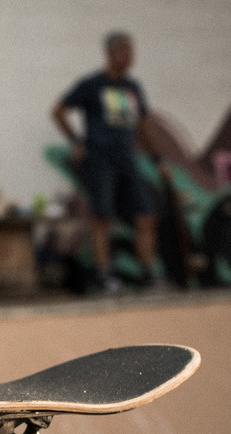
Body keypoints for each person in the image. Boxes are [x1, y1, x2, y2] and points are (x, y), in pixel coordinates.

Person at [52, 31, 167, 294]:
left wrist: (157, 159)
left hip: (127, 159)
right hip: (99, 160)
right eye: (126, 51)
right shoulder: (92, 85)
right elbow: (58, 110)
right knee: (102, 217)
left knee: (146, 215)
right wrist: (75, 141)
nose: (130, 57)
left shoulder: (133, 88)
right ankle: (103, 275)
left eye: (132, 52)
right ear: (111, 53)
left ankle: (147, 274)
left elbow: (144, 125)